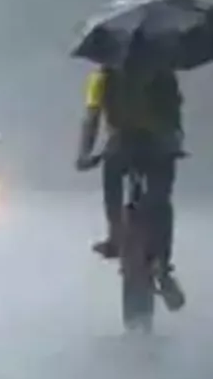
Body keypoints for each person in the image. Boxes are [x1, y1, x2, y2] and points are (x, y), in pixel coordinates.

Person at [74, 46, 185, 309]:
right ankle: (163, 265)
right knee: (161, 198)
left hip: (122, 147)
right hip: (158, 147)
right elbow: (175, 115)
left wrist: (84, 154)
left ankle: (115, 234)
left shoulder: (102, 76)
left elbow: (91, 118)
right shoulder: (163, 72)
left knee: (111, 180)